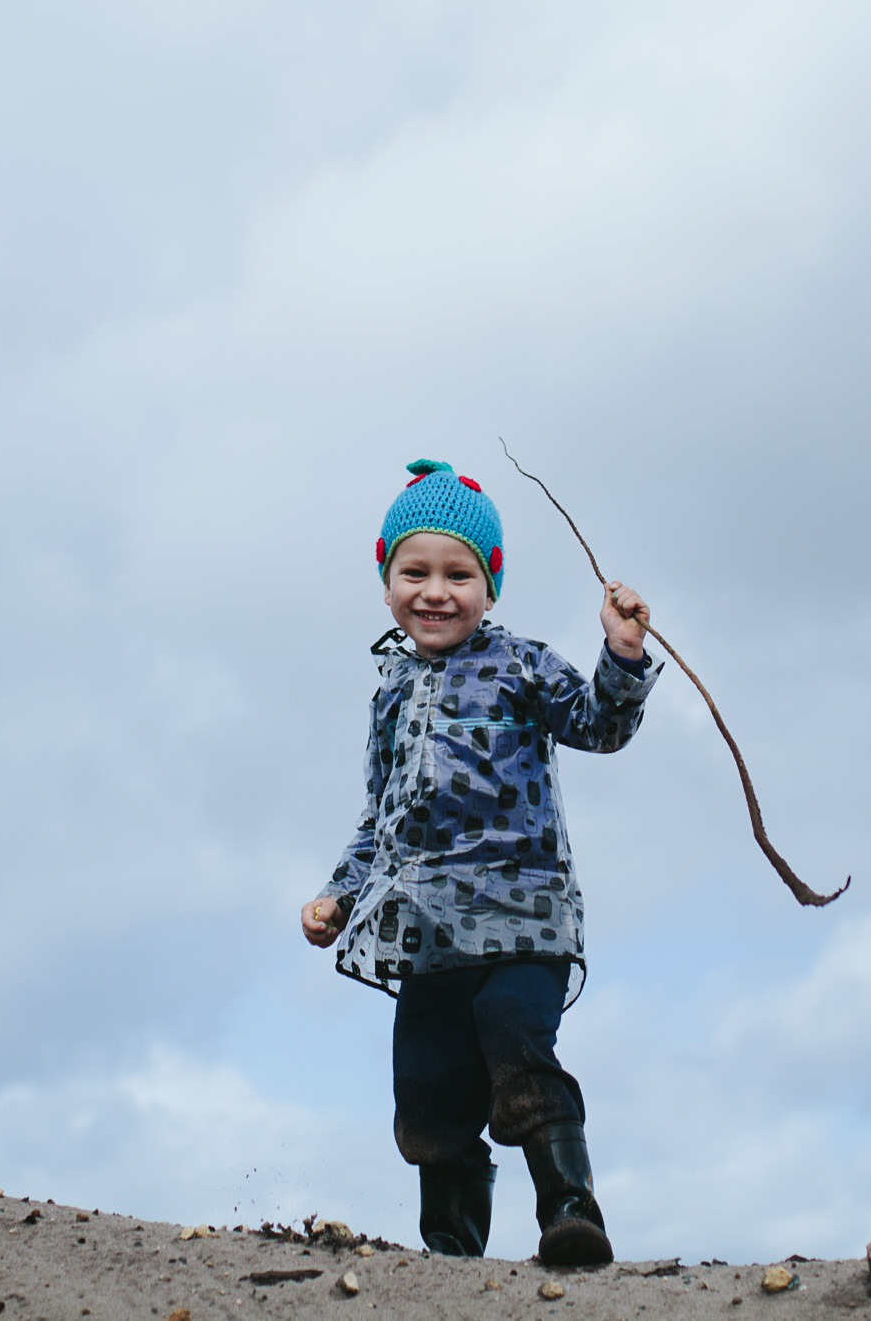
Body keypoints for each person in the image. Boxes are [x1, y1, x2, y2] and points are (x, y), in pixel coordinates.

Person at [301, 458, 660, 1266]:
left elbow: (599, 725)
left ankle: (571, 1209)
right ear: (387, 581)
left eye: (459, 574)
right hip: (424, 927)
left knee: (514, 1039)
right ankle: (451, 1251)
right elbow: (379, 816)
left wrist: (624, 654)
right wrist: (339, 894)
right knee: (427, 1089)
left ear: (489, 587)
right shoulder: (390, 694)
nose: (436, 591)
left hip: (525, 912)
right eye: (415, 572)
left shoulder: (523, 665)